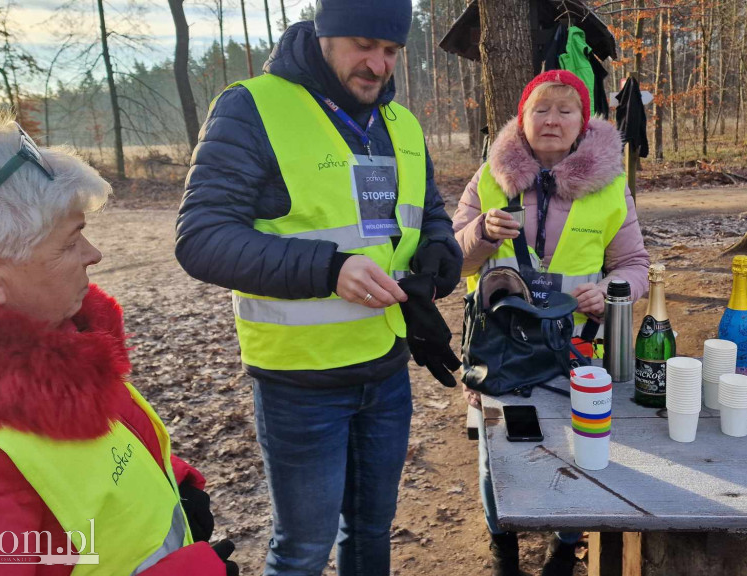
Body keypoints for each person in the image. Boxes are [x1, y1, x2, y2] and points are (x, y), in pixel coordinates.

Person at [175, 0, 463, 574]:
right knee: (304, 549)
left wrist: (440, 253)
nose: (378, 66)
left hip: (385, 370)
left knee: (371, 531)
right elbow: (201, 238)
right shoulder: (252, 108)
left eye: (391, 51)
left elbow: (429, 212)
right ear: (323, 33)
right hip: (299, 385)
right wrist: (330, 269)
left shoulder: (399, 123)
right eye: (363, 45)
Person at [0, 102, 235, 575]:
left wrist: (171, 480)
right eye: (70, 241)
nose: (94, 255)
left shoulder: (54, 345)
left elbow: (87, 469)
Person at [452, 70, 650, 576]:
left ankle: (566, 543)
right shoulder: (489, 178)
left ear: (583, 123)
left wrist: (610, 294)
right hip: (498, 349)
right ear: (523, 117)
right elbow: (452, 260)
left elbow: (634, 266)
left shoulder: (610, 186)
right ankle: (504, 548)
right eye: (541, 108)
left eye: (566, 110)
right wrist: (479, 232)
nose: (552, 120)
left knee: (580, 444)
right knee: (497, 455)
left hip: (576, 347)